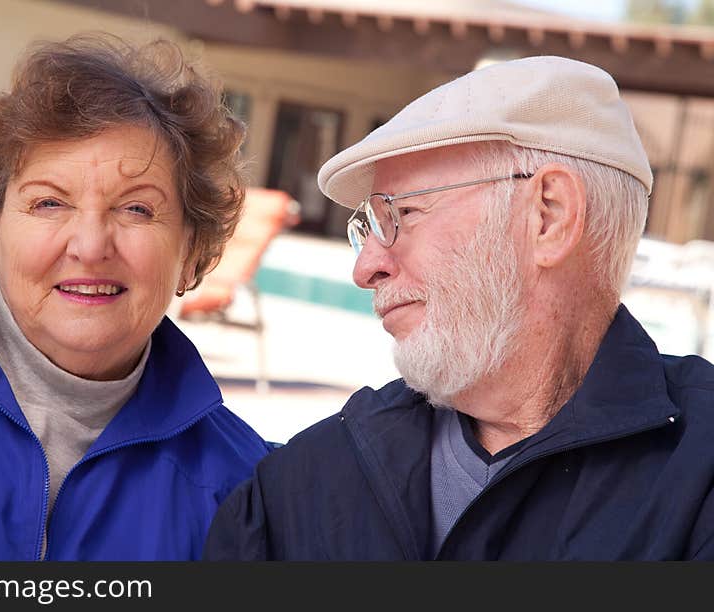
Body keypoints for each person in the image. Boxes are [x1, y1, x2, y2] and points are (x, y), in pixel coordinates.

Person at [204, 56, 714, 560]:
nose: (366, 269)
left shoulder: (699, 480)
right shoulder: (304, 485)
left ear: (549, 216)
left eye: (402, 213)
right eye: (369, 229)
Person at [0, 34, 270, 560]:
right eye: (48, 203)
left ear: (192, 252)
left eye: (136, 210)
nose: (89, 247)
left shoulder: (239, 485)